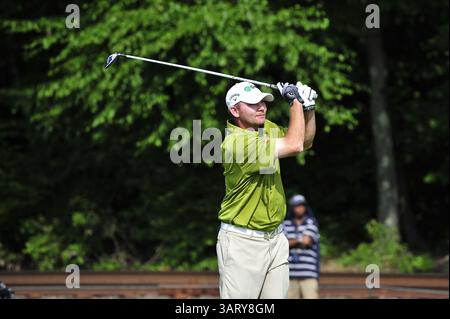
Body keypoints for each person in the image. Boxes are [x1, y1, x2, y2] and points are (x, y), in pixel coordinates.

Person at [216, 81, 317, 298]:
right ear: (235, 110)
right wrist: (295, 102)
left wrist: (308, 109)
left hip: (276, 239)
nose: (261, 106)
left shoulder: (266, 129)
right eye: (253, 104)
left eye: (262, 101)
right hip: (242, 243)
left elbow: (304, 141)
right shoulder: (235, 144)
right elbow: (294, 144)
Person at [283, 194, 320, 299]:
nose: (299, 208)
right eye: (296, 206)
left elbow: (307, 241)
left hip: (308, 273)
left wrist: (292, 242)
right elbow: (284, 244)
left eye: (302, 205)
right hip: (290, 274)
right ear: (292, 208)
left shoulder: (311, 222)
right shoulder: (285, 223)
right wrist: (299, 240)